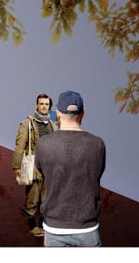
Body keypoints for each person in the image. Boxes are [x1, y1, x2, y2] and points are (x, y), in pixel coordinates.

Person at [35, 90, 105, 247]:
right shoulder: (97, 144)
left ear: (58, 113)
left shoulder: (43, 144)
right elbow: (97, 174)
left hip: (54, 225)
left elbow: (41, 171)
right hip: (87, 226)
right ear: (83, 114)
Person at [14, 93, 58, 238]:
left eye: (46, 104)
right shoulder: (28, 123)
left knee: (46, 199)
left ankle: (42, 226)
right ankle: (33, 227)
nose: (44, 106)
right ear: (36, 105)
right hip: (33, 167)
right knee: (32, 197)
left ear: (49, 106)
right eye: (41, 104)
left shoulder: (53, 125)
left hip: (49, 168)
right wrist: (16, 167)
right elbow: (20, 145)